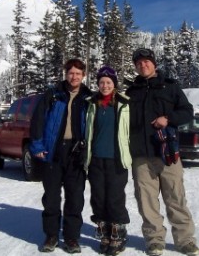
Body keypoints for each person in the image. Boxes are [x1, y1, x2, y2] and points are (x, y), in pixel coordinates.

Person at [126, 48, 199, 256]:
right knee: (146, 201)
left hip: (168, 153)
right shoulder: (131, 92)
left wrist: (168, 119)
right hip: (141, 156)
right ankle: (154, 240)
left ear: (154, 64)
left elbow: (187, 112)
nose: (143, 65)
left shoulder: (171, 86)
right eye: (139, 63)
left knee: (176, 198)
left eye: (146, 62)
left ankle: (185, 240)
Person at [30, 58, 92, 254]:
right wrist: (37, 145)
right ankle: (51, 235)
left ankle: (72, 238)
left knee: (75, 198)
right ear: (66, 74)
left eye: (78, 73)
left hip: (76, 153)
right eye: (71, 73)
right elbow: (37, 120)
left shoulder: (88, 97)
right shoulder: (53, 94)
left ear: (84, 76)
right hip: (53, 151)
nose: (74, 76)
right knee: (51, 198)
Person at [83, 65, 131, 255]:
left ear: (115, 84)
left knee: (115, 198)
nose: (105, 85)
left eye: (108, 82)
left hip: (116, 159)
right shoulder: (92, 103)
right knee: (98, 198)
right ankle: (104, 232)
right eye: (101, 82)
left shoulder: (124, 103)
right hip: (96, 159)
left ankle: (118, 234)